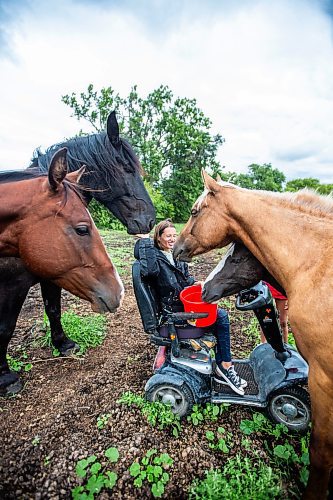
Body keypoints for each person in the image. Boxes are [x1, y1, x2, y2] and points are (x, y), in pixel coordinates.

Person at [135, 219, 246, 396]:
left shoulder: (175, 255)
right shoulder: (154, 259)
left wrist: (196, 283)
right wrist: (143, 241)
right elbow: (148, 270)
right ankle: (225, 367)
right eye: (167, 236)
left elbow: (184, 280)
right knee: (221, 317)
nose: (172, 239)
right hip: (174, 314)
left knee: (216, 310)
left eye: (174, 235)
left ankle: (221, 364)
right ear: (158, 238)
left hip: (181, 306)